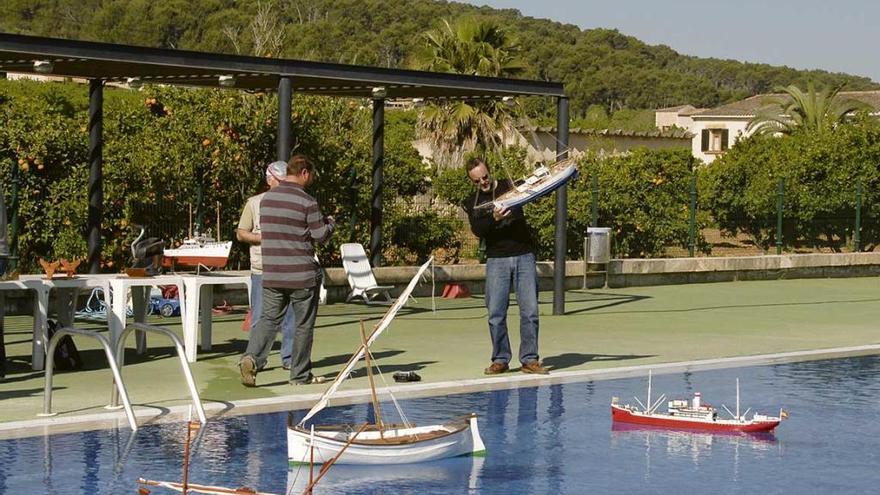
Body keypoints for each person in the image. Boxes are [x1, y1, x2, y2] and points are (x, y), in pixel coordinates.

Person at [239, 154, 335, 386]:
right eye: (310, 175)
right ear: (304, 173)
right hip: (302, 274)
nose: (310, 179)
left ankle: (251, 357)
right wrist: (331, 223)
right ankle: (299, 374)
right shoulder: (307, 201)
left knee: (267, 319)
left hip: (272, 273)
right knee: (303, 325)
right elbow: (320, 236)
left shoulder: (267, 201)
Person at [463, 157, 548, 375]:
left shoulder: (509, 186)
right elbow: (478, 229)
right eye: (477, 180)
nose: (483, 182)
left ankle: (530, 359)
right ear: (471, 181)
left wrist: (545, 172)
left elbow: (536, 186)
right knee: (496, 312)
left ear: (490, 172)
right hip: (496, 259)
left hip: (524, 254)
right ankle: (500, 359)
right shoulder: (472, 202)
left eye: (485, 177)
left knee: (530, 311)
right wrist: (494, 217)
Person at [236, 160, 296, 370]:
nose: (283, 184)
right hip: (263, 269)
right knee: (260, 316)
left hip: (289, 267)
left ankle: (290, 360)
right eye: (280, 180)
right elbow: (241, 233)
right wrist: (262, 238)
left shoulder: (294, 201)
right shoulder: (254, 203)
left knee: (291, 317)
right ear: (269, 180)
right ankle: (255, 360)